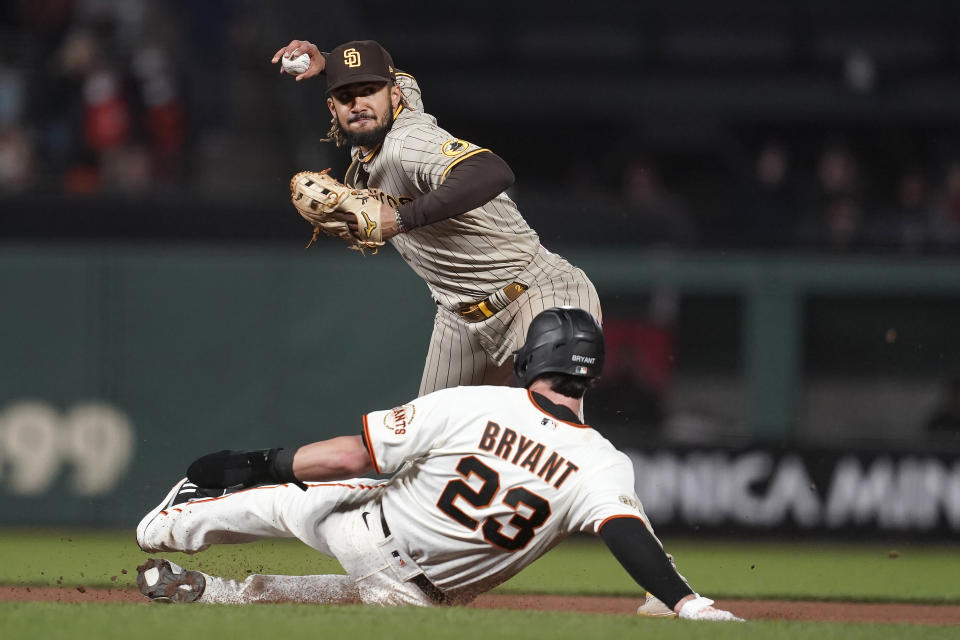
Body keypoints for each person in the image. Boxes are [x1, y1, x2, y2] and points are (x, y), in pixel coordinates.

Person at [135, 307, 742, 622]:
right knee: (337, 587)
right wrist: (687, 603)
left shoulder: (475, 401)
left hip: (363, 533)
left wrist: (257, 463)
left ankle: (168, 533)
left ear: (532, 360)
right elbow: (628, 535)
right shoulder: (603, 465)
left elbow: (353, 454)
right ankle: (215, 580)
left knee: (288, 499)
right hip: (425, 600)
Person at [271, 39, 601, 396]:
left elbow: (491, 170)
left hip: (536, 295)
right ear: (331, 108)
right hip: (459, 319)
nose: (360, 104)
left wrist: (398, 218)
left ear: (394, 97)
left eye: (370, 91)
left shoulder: (408, 143)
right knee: (425, 447)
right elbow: (392, 78)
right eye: (346, 96)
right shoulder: (388, 116)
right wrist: (330, 61)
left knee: (546, 431)